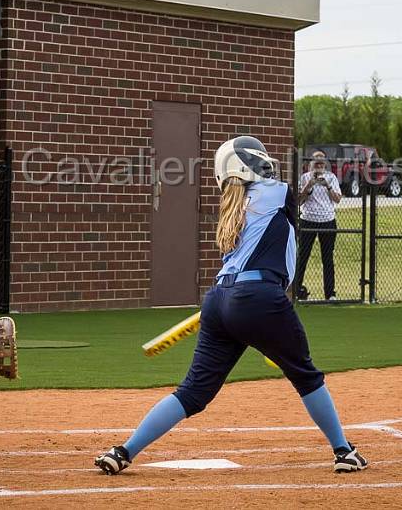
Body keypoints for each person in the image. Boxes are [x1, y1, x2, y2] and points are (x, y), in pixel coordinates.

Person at [94, 136, 367, 475]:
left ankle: (122, 451)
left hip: (219, 301)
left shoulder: (234, 207)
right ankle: (344, 451)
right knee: (306, 376)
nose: (267, 165)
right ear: (248, 164)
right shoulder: (277, 192)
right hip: (259, 299)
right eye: (261, 160)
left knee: (192, 392)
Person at [292, 150, 342, 301]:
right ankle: (296, 290)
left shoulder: (331, 178)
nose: (319, 163)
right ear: (310, 163)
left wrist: (327, 186)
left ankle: (330, 294)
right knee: (302, 257)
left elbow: (338, 199)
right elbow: (299, 201)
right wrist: (309, 185)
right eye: (316, 161)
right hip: (308, 221)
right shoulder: (304, 178)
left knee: (327, 258)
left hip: (327, 221)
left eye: (322, 161)